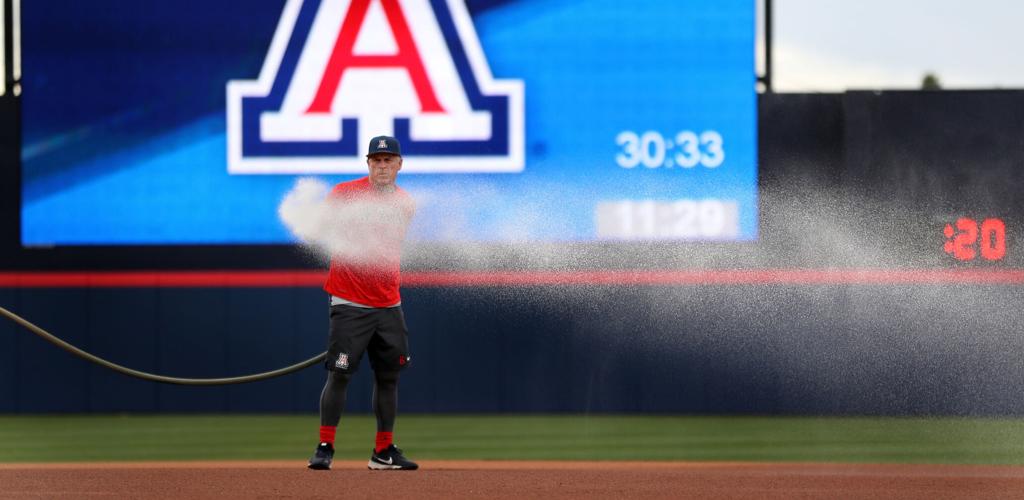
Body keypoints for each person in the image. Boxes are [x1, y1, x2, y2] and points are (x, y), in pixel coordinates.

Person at [308, 135, 418, 471]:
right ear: (367, 164)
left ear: (399, 164)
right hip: (350, 302)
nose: (382, 166)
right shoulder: (343, 194)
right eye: (376, 160)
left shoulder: (405, 203)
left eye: (388, 160)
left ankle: (383, 451)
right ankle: (325, 446)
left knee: (389, 377)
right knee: (339, 374)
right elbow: (321, 228)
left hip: (388, 304)